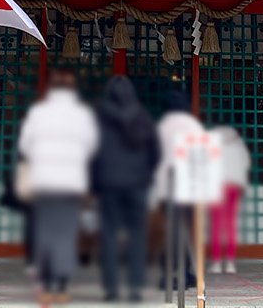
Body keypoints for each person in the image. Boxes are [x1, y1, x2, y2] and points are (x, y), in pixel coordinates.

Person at [18, 67, 99, 304]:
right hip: (72, 183)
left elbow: (25, 146)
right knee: (65, 235)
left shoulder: (38, 113)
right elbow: (91, 146)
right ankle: (61, 287)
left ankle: (45, 285)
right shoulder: (82, 115)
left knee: (46, 234)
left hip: (44, 182)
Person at [92, 76, 159, 303]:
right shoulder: (142, 117)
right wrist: (147, 176)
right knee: (137, 235)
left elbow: (92, 152)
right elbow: (155, 152)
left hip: (109, 183)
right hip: (137, 184)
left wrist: (94, 182)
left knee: (109, 235)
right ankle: (135, 288)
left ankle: (111, 288)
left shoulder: (100, 117)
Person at [152, 89, 204, 292]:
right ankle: (186, 272)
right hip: (189, 187)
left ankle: (170, 274)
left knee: (168, 232)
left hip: (167, 187)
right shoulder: (193, 126)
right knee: (188, 231)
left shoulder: (162, 127)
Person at [208, 126, 250, 274]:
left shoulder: (213, 145)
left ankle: (217, 263)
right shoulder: (239, 146)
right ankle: (231, 262)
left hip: (218, 186)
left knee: (217, 224)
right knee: (231, 223)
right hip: (235, 186)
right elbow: (245, 164)